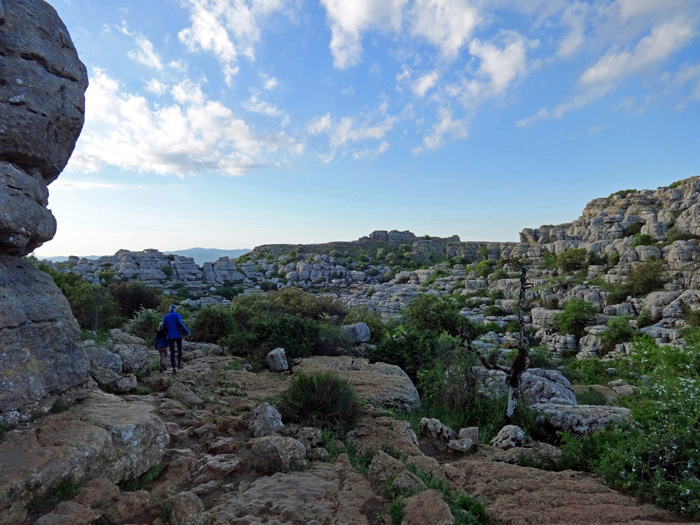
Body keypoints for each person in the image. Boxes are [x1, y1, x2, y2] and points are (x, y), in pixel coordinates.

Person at [162, 304, 190, 374]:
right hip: (178, 335)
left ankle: (174, 369)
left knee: (172, 352)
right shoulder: (177, 315)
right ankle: (179, 365)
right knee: (180, 349)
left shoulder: (165, 317)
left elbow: (163, 327)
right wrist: (187, 331)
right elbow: (181, 324)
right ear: (175, 309)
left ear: (169, 309)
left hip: (170, 336)